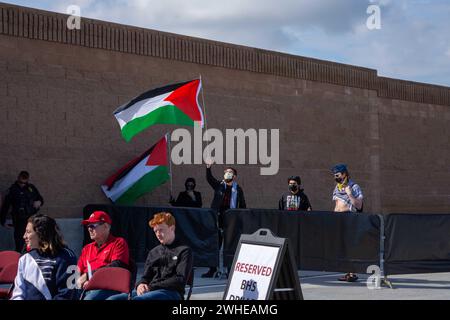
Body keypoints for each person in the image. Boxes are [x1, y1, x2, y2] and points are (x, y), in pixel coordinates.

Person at [108, 212, 193, 300]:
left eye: (161, 230)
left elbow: (180, 280)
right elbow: (145, 277)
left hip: (171, 292)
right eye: (155, 231)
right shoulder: (154, 252)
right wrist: (140, 285)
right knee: (113, 299)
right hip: (151, 291)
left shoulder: (184, 251)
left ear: (172, 228)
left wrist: (152, 286)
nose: (158, 234)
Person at [10, 214, 77, 300]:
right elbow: (18, 293)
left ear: (41, 233)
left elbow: (68, 294)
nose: (24, 236)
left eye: (28, 232)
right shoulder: (25, 258)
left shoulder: (67, 257)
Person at [203, 159, 246, 278]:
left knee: (229, 244)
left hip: (231, 217)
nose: (227, 174)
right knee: (215, 243)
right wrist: (208, 167)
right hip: (218, 216)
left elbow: (242, 204)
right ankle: (212, 269)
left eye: (230, 172)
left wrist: (241, 218)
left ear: (234, 176)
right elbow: (209, 179)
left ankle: (229, 270)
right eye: (226, 172)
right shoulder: (219, 185)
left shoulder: (238, 189)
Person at [77, 210, 130, 300]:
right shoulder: (86, 248)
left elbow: (116, 267)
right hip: (85, 288)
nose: (89, 229)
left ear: (106, 226)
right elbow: (78, 271)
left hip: (108, 288)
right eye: (88, 226)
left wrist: (90, 277)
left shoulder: (118, 243)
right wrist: (77, 281)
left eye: (92, 226)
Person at [331, 164, 364, 282]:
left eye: (338, 175)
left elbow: (359, 205)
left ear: (345, 174)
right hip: (339, 220)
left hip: (350, 219)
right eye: (334, 176)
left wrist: (349, 193)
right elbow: (337, 205)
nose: (336, 177)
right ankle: (348, 272)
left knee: (350, 247)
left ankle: (353, 273)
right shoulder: (337, 188)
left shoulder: (354, 187)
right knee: (343, 248)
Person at [1, 171, 44, 252]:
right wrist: (3, 220)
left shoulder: (31, 188)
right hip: (19, 220)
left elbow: (40, 199)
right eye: (21, 182)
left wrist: (39, 202)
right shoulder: (13, 190)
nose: (22, 184)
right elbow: (5, 206)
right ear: (18, 178)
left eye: (25, 182)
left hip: (31, 219)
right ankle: (20, 258)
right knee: (20, 242)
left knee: (32, 240)